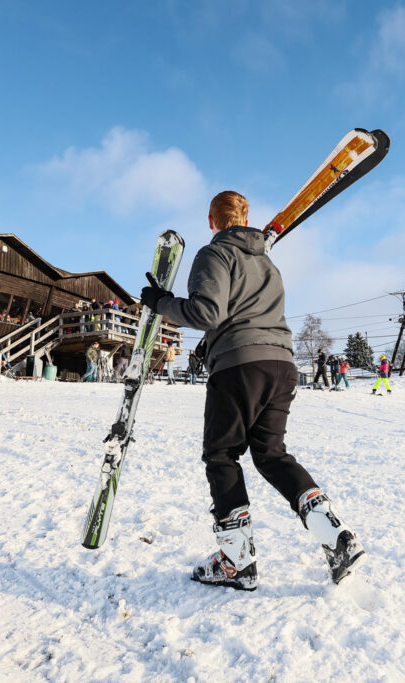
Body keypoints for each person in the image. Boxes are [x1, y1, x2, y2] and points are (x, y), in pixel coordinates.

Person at [139, 190, 364, 590]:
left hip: (240, 367)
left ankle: (236, 561)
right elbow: (245, 314)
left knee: (222, 455)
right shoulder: (267, 262)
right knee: (271, 455)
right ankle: (336, 536)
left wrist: (162, 302)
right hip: (281, 364)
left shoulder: (214, 254)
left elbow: (207, 312)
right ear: (246, 219)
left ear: (212, 221)